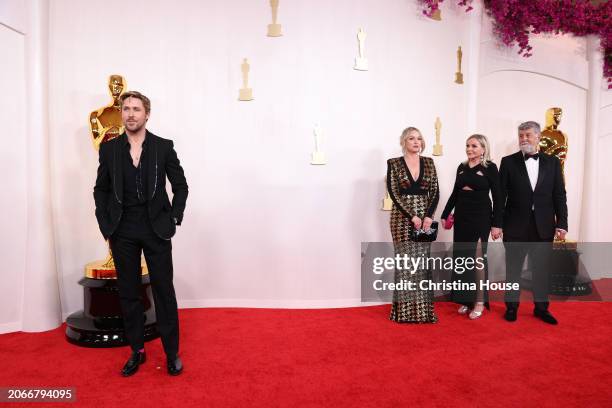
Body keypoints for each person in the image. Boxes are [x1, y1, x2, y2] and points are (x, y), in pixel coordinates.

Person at [93, 91, 189, 375]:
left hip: (156, 229)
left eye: (136, 109)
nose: (130, 114)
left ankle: (171, 353)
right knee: (129, 293)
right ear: (121, 113)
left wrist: (173, 216)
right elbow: (101, 189)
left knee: (163, 291)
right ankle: (137, 350)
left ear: (147, 114)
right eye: (126, 109)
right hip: (123, 230)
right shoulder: (109, 150)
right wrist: (104, 222)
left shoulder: (163, 147)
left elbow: (181, 186)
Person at [499, 121, 568, 325]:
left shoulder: (553, 162)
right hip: (514, 227)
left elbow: (559, 195)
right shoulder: (508, 162)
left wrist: (562, 223)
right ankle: (511, 307)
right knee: (513, 270)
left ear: (538, 137)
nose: (524, 139)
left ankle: (541, 308)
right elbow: (500, 196)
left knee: (541, 270)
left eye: (528, 135)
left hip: (544, 226)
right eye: (521, 135)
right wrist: (498, 224)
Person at [441, 134, 503, 320]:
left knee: (477, 260)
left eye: (474, 146)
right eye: (467, 145)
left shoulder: (490, 168)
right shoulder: (462, 167)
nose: (470, 149)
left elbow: (499, 198)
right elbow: (455, 193)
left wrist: (497, 224)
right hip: (462, 217)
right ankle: (465, 300)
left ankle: (479, 301)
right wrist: (445, 214)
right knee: (462, 259)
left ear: (483, 149)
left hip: (481, 217)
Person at [386, 127, 440, 323]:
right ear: (404, 142)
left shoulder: (429, 162)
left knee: (422, 264)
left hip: (425, 219)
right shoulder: (394, 163)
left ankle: (424, 312)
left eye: (419, 138)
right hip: (401, 219)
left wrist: (427, 216)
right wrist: (412, 216)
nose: (416, 142)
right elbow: (393, 192)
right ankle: (404, 312)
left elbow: (434, 191)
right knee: (405, 264)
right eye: (411, 138)